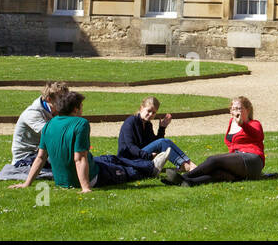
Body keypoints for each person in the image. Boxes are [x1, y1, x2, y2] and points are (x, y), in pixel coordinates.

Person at [10, 90, 169, 193]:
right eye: (81, 106)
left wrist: (27, 183)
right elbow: (79, 159)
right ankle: (151, 167)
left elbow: (40, 157)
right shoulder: (81, 124)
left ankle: (148, 162)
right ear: (75, 109)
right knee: (125, 172)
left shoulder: (49, 124)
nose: (82, 109)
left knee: (111, 158)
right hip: (91, 177)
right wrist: (86, 187)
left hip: (62, 180)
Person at [163, 96, 264, 187]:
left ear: (247, 110)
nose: (235, 111)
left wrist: (242, 124)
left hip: (252, 160)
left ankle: (184, 177)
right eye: (233, 109)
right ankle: (189, 182)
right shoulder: (231, 123)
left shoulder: (254, 124)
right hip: (240, 164)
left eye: (239, 108)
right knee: (218, 173)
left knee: (214, 160)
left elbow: (258, 136)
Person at [118, 96, 196, 172]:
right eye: (149, 111)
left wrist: (162, 128)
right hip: (128, 160)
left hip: (140, 156)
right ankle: (185, 166)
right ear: (141, 108)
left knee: (166, 141)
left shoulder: (148, 124)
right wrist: (149, 156)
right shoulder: (130, 122)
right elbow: (130, 147)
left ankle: (189, 164)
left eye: (154, 112)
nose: (151, 114)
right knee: (163, 142)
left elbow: (155, 143)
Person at [10, 81, 68, 173]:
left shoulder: (56, 110)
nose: (65, 101)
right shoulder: (32, 114)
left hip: (42, 154)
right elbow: (51, 134)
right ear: (49, 99)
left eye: (66, 97)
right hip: (25, 159)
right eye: (61, 98)